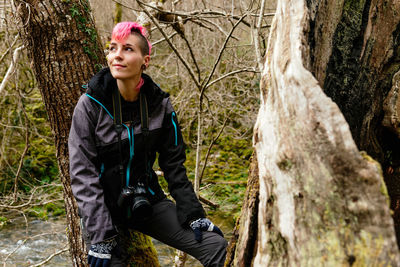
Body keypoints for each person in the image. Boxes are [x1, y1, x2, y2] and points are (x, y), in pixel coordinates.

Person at [68, 21, 227, 267]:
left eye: (128, 49)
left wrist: (194, 214)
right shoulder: (90, 105)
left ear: (146, 60)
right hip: (103, 209)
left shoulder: (159, 105)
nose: (117, 56)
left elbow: (174, 165)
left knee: (214, 245)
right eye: (112, 48)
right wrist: (100, 236)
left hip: (146, 201)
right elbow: (82, 173)